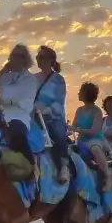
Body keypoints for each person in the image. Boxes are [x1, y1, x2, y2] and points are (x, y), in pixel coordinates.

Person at [0, 44, 38, 166]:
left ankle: (32, 166)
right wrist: (3, 70)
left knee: (17, 136)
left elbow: (26, 104)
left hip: (18, 116)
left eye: (19, 56)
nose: (14, 59)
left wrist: (7, 99)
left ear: (25, 59)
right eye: (12, 56)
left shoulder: (30, 79)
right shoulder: (5, 76)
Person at [33, 45, 70, 183]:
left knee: (57, 131)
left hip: (52, 117)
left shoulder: (58, 80)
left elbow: (59, 100)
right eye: (37, 57)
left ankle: (63, 167)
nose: (38, 60)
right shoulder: (32, 78)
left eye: (41, 57)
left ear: (51, 60)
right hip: (33, 115)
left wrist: (48, 110)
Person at [70, 82, 112, 192]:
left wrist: (76, 130)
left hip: (94, 139)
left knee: (95, 149)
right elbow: (73, 127)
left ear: (86, 94)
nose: (78, 93)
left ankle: (108, 178)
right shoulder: (79, 110)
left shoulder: (97, 111)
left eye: (81, 91)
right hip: (81, 140)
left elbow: (94, 131)